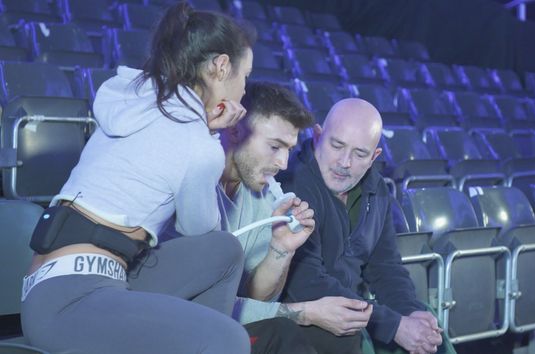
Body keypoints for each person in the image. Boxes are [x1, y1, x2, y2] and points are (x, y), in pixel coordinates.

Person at [21, 3, 254, 354]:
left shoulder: (132, 92)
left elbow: (212, 242)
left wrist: (202, 128)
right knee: (229, 339)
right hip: (72, 302)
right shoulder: (197, 145)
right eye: (245, 76)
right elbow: (200, 226)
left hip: (57, 285)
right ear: (221, 67)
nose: (244, 89)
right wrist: (210, 139)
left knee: (224, 252)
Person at [280, 98, 457, 354]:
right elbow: (307, 282)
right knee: (362, 333)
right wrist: (394, 325)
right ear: (318, 136)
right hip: (313, 314)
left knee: (428, 325)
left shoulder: (377, 190)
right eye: (337, 145)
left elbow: (386, 267)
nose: (345, 162)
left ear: (374, 157)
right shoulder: (295, 185)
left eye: (359, 153)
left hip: (358, 309)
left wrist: (410, 314)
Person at [213, 81, 373, 354]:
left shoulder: (261, 194)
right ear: (235, 129)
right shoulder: (195, 183)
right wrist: (304, 312)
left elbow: (258, 298)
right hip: (192, 323)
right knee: (283, 332)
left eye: (289, 149)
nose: (283, 163)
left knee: (340, 337)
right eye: (275, 147)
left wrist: (281, 249)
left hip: (229, 318)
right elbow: (206, 305)